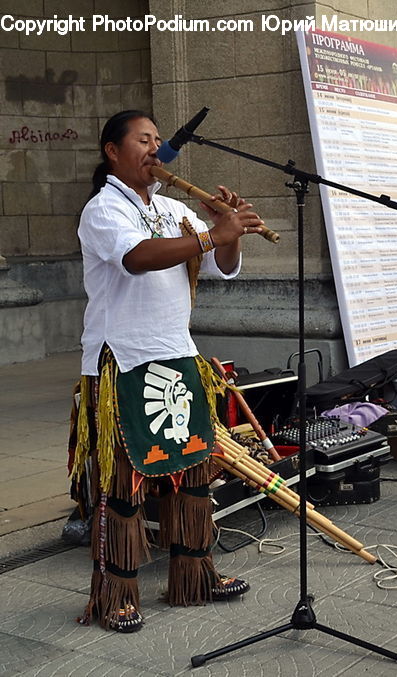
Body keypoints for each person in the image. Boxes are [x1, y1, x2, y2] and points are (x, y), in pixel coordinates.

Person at [69, 110, 266, 632]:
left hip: (176, 353)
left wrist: (231, 229)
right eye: (143, 140)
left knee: (192, 474)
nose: (155, 149)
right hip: (123, 360)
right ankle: (116, 594)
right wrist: (212, 233)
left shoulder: (175, 207)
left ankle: (196, 575)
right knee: (125, 482)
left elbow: (223, 262)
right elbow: (137, 258)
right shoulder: (103, 208)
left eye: (158, 140)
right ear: (113, 150)